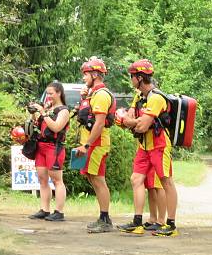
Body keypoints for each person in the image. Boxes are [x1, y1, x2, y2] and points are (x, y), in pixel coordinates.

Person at [118, 59, 179, 237]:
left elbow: (142, 126)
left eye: (132, 76)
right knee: (136, 179)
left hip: (159, 145)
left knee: (166, 182)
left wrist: (126, 121)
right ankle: (137, 222)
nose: (131, 79)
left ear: (139, 77)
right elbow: (132, 117)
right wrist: (131, 121)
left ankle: (171, 225)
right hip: (144, 146)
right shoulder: (140, 96)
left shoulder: (156, 98)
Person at [75, 57, 115, 233]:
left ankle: (105, 219)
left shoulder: (101, 95)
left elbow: (99, 123)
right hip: (91, 143)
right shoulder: (93, 94)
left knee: (98, 179)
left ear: (95, 74)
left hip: (96, 144)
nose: (84, 78)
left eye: (86, 74)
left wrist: (87, 145)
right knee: (92, 178)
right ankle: (102, 217)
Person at [27, 82, 70, 222]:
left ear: (59, 93)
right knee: (42, 179)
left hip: (54, 147)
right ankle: (44, 209)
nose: (49, 96)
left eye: (51, 93)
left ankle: (59, 211)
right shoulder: (48, 108)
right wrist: (34, 113)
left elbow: (56, 127)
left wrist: (43, 112)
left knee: (57, 180)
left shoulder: (63, 111)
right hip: (41, 146)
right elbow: (37, 124)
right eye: (47, 93)